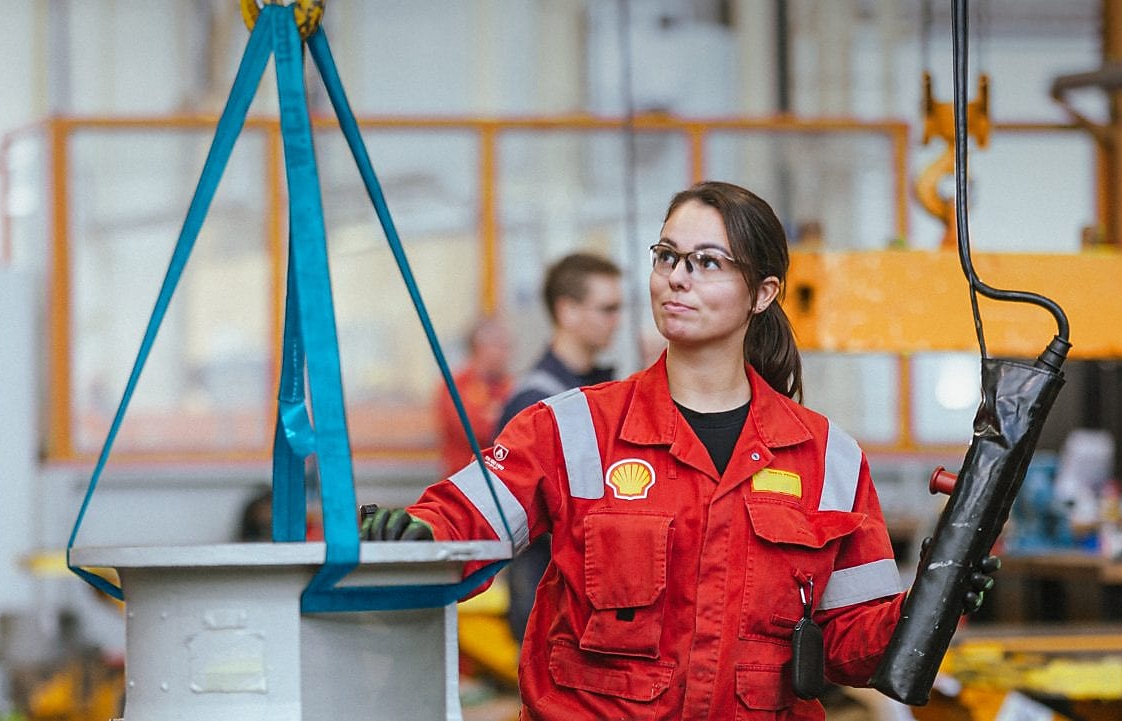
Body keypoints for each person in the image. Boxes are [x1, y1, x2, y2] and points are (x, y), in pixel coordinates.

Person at [361, 181, 995, 720]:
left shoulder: (827, 459)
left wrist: (929, 603)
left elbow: (852, 644)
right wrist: (413, 538)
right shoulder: (573, 427)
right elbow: (461, 525)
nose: (677, 279)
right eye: (668, 256)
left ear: (764, 294)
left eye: (708, 262)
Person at [498, 251, 623, 642]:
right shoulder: (536, 405)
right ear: (567, 311)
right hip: (550, 605)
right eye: (607, 309)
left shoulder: (598, 396)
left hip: (589, 602)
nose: (616, 322)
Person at [433, 316, 514, 477]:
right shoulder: (455, 385)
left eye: (508, 346)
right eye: (500, 345)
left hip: (500, 480)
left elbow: (518, 431)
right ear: (479, 347)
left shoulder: (510, 386)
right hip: (462, 481)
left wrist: (497, 415)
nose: (507, 353)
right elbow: (476, 430)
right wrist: (501, 417)